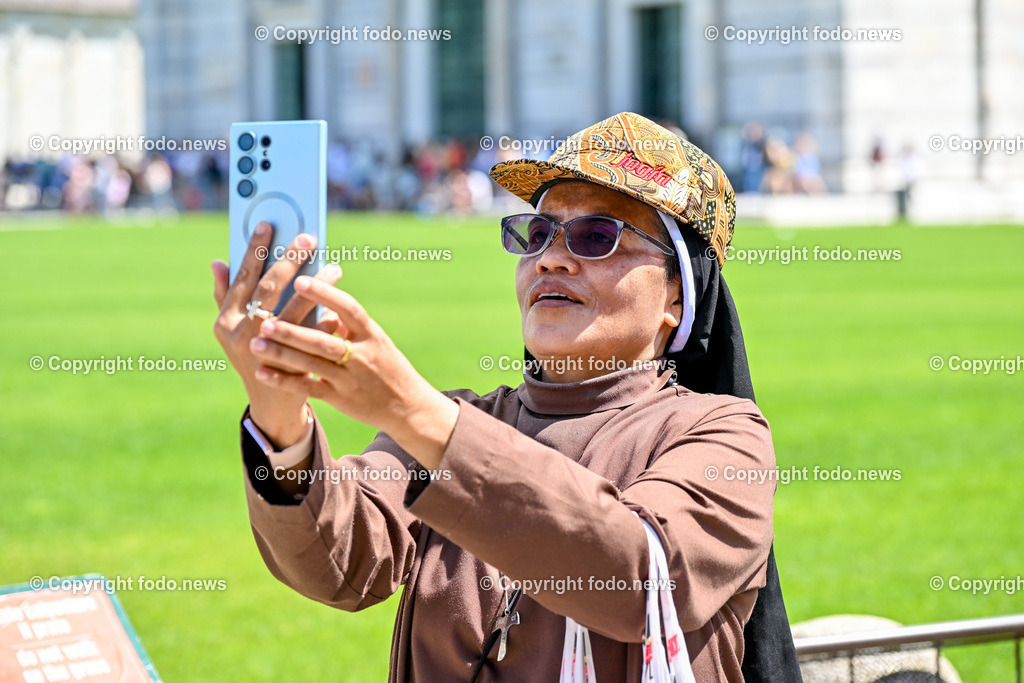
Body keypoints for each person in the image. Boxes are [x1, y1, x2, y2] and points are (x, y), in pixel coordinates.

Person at [211, 112, 800, 681]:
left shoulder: (724, 435)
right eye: (537, 232)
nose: (549, 256)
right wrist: (278, 408)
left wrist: (412, 409)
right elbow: (338, 567)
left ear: (678, 295)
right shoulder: (453, 421)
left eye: (597, 236)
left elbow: (640, 579)